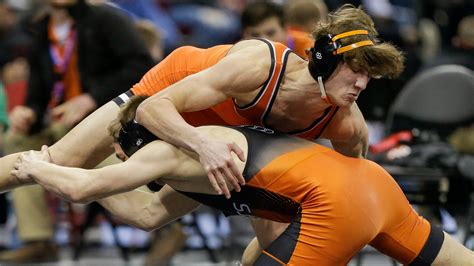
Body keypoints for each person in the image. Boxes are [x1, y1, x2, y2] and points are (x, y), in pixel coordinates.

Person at [0, 4, 403, 251]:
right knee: (61, 159)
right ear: (325, 62)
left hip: (229, 135)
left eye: (370, 76)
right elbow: (154, 108)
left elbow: (362, 196)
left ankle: (98, 166)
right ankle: (68, 164)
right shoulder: (259, 65)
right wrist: (201, 145)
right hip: (169, 95)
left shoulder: (347, 125)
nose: (362, 86)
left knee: (150, 216)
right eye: (356, 72)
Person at [10, 95, 474, 265]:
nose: (121, 160)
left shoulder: (165, 149)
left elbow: (79, 191)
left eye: (119, 152)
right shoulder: (200, 162)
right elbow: (147, 214)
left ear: (134, 138)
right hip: (373, 185)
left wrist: (31, 166)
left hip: (334, 208)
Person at [0, 0, 153, 262]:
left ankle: (163, 219)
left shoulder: (106, 19)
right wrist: (29, 112)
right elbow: (38, 90)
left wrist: (92, 98)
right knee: (17, 138)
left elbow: (143, 68)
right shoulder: (39, 29)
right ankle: (39, 239)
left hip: (108, 120)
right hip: (60, 120)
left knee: (66, 138)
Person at [240, 1, 313, 59]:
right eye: (254, 35)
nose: (264, 41)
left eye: (270, 33)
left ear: (285, 30)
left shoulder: (310, 48)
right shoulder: (236, 54)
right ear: (244, 35)